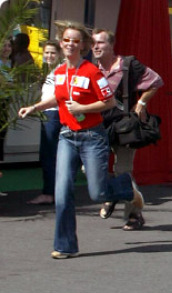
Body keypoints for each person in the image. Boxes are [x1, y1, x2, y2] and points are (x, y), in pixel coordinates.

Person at [18, 21, 142, 259]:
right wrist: (34, 107)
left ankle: (126, 187)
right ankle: (65, 246)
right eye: (66, 40)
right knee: (62, 193)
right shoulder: (59, 72)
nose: (70, 44)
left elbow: (110, 102)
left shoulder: (92, 71)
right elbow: (57, 98)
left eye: (76, 41)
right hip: (67, 137)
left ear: (83, 45)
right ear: (62, 43)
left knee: (97, 194)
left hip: (92, 138)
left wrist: (83, 106)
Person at [92, 28, 163, 231]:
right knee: (89, 168)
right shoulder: (90, 69)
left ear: (111, 45)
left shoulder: (128, 65)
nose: (96, 47)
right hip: (98, 126)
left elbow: (156, 81)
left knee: (123, 171)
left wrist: (141, 103)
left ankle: (134, 215)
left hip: (123, 126)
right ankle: (112, 193)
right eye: (94, 43)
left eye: (101, 43)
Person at [27, 40, 62, 206]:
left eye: (52, 53)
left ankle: (49, 193)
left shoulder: (60, 71)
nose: (48, 56)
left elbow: (58, 97)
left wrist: (35, 107)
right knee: (49, 154)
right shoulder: (50, 71)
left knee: (49, 155)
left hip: (53, 115)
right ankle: (52, 191)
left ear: (60, 54)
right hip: (48, 114)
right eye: (46, 53)